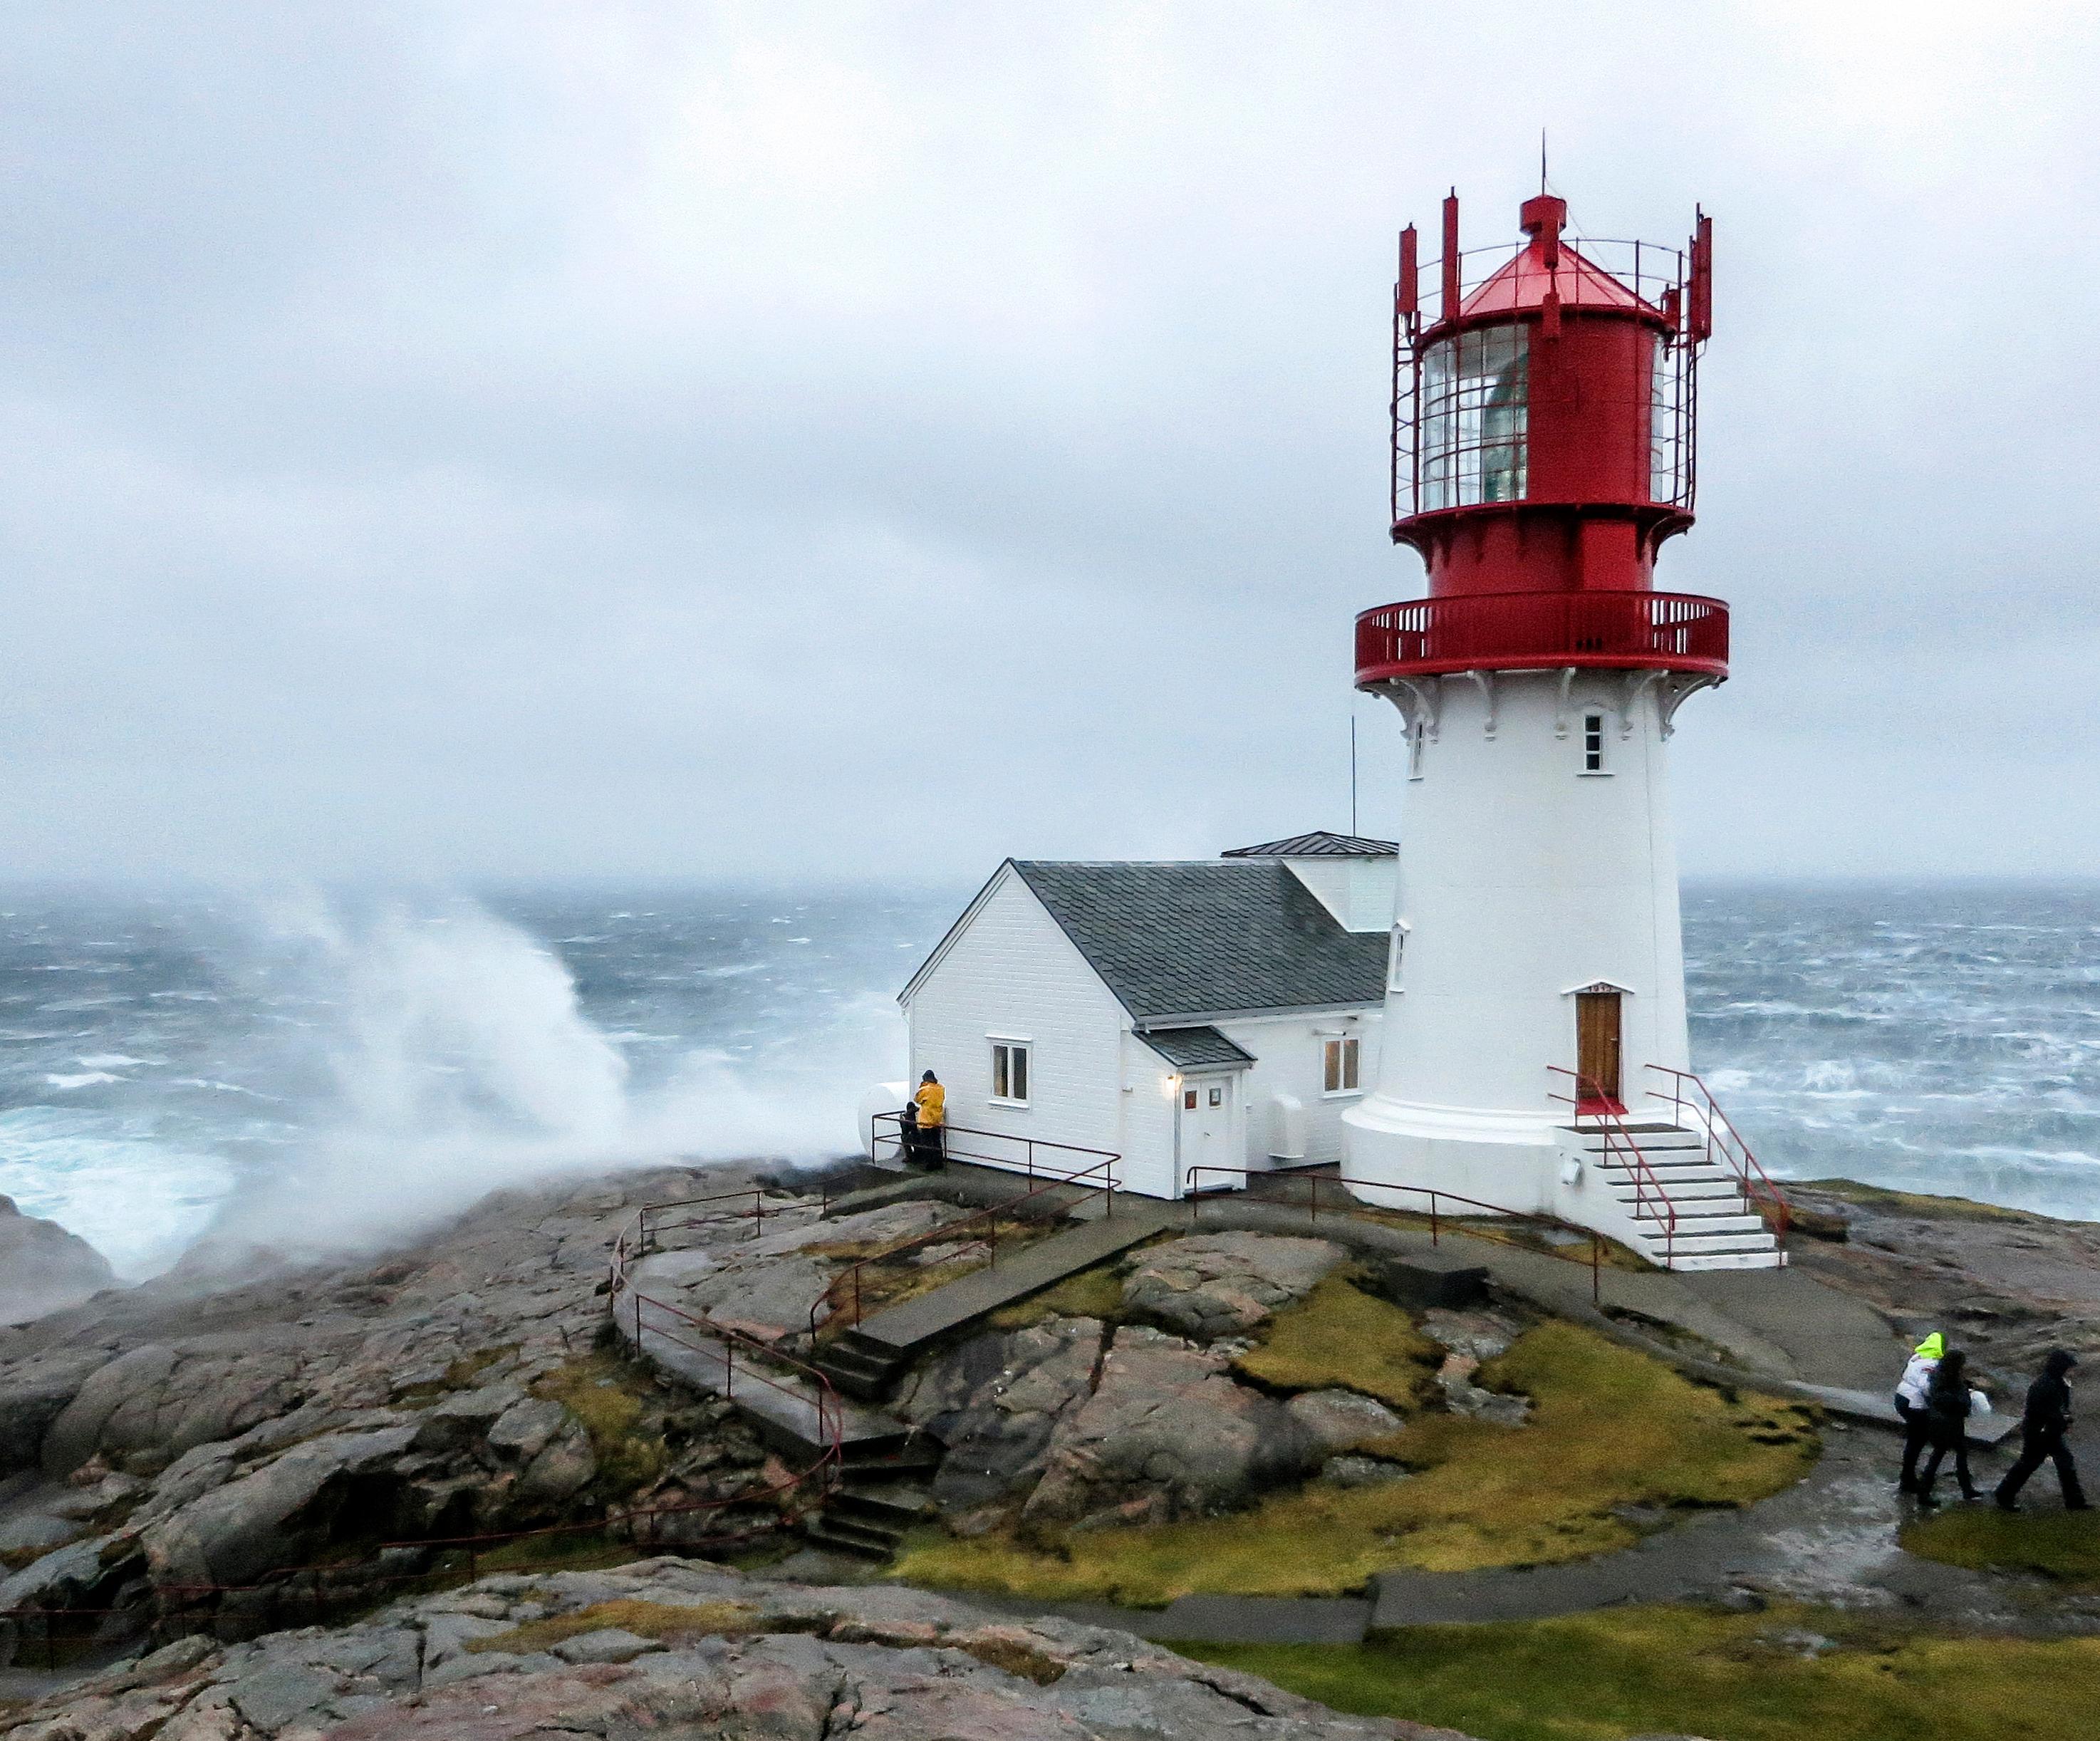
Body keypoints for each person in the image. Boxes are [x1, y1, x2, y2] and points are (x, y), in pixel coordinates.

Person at [1995, 1348, 2088, 1513]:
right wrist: (2063, 1419)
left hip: (2048, 1431)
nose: (2072, 1372)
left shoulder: (2056, 1382)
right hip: (2040, 1433)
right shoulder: (2045, 1385)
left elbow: (2059, 1408)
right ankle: (2004, 1495)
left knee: (2061, 1463)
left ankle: (2074, 1500)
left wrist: (2063, 1419)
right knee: (2030, 1464)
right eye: (2070, 1368)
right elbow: (2044, 1410)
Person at [1913, 1347, 1982, 1507]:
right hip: (1944, 1423)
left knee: (1957, 1453)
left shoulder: (1945, 1376)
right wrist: (1961, 1400)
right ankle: (1924, 1494)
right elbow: (1940, 1398)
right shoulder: (1941, 1377)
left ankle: (1966, 1489)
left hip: (1950, 1422)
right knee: (1939, 1456)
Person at [1894, 1332, 1943, 1495]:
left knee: (1914, 1439)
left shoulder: (1917, 1357)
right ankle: (1907, 1479)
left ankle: (1907, 1476)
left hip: (1902, 1396)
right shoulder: (1931, 1363)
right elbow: (1926, 1387)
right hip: (1915, 1403)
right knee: (1917, 1441)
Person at [910, 1069, 945, 1170]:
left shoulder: (925, 1090)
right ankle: (939, 1163)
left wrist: (923, 1086)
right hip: (937, 1119)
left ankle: (930, 1164)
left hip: (926, 1120)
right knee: (937, 1142)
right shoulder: (941, 1088)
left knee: (927, 1144)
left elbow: (917, 1099)